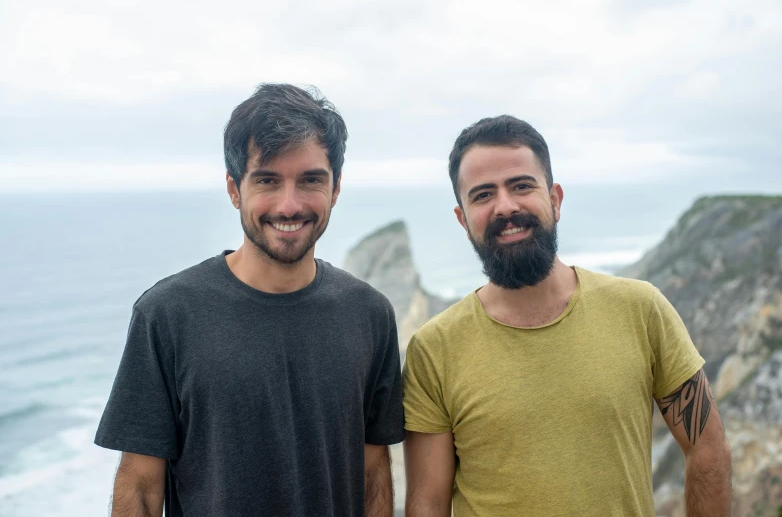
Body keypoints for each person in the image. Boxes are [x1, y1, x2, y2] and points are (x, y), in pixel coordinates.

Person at [95, 83, 405, 517]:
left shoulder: (369, 314)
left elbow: (373, 471)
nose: (290, 204)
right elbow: (142, 486)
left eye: (311, 180)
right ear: (234, 189)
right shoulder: (167, 314)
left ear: (335, 189)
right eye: (267, 180)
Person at [402, 115, 732, 516]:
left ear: (555, 199)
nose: (506, 206)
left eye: (521, 186)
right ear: (463, 219)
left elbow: (706, 446)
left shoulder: (640, 310)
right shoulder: (434, 348)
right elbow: (427, 502)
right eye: (483, 195)